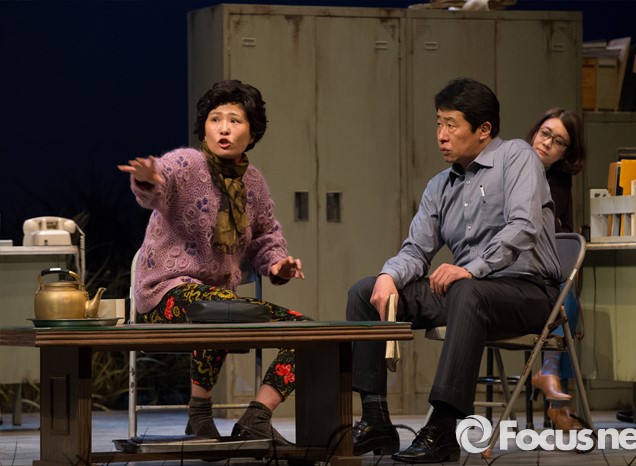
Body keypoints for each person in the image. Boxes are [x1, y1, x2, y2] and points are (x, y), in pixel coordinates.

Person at [346, 77, 562, 463]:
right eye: (438, 123)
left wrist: (473, 269)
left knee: (467, 290)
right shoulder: (439, 186)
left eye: (451, 124)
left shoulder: (516, 157)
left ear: (483, 130)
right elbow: (417, 250)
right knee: (365, 291)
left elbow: (524, 226)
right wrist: (388, 276)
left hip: (529, 292)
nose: (441, 135)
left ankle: (444, 427)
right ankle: (375, 418)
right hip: (470, 296)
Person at [118, 79, 309, 445]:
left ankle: (257, 416)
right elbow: (162, 180)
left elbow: (266, 238)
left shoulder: (254, 184)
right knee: (219, 308)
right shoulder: (188, 163)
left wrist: (278, 264)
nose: (223, 128)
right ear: (203, 127)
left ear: (252, 133)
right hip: (167, 294)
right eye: (215, 119)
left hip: (219, 302)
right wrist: (148, 180)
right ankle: (200, 413)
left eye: (235, 120)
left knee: (307, 332)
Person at [526, 108, 586, 431]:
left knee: (568, 297)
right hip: (513, 270)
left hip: (545, 276)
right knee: (566, 300)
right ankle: (557, 400)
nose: (547, 143)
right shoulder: (514, 167)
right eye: (545, 133)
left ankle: (551, 379)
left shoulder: (560, 183)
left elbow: (561, 237)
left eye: (559, 141)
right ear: (536, 131)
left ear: (566, 152)